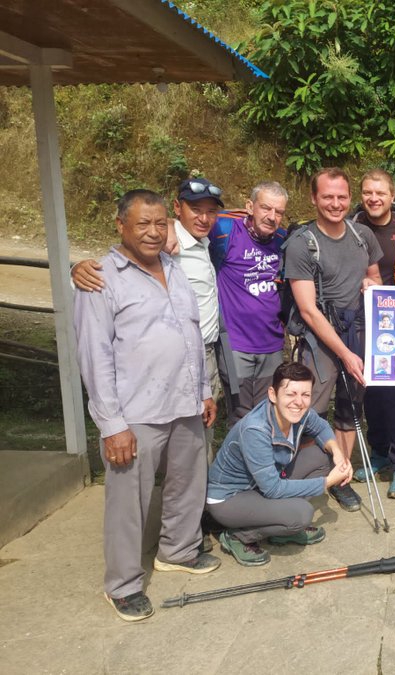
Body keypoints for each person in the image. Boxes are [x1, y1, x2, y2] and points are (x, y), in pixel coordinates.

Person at [73, 189, 220, 622]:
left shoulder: (173, 268)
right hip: (135, 412)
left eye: (160, 224)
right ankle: (122, 584)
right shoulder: (100, 278)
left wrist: (204, 391)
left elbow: (191, 333)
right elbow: (94, 355)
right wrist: (111, 423)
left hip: (185, 401)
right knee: (128, 501)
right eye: (143, 224)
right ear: (121, 226)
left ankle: (178, 550)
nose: (154, 232)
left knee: (187, 483)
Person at [71, 178, 225, 465]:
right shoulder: (158, 249)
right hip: (143, 393)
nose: (204, 218)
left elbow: (252, 216)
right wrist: (77, 268)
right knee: (139, 469)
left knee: (193, 460)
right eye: (195, 209)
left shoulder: (203, 244)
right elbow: (94, 351)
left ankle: (199, 505)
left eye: (211, 211)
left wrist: (203, 388)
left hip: (197, 367)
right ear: (177, 209)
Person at [283, 168, 382, 512]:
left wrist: (372, 284)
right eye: (327, 197)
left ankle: (341, 476)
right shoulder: (301, 244)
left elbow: (374, 275)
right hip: (320, 338)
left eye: (341, 197)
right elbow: (308, 310)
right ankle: (304, 477)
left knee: (350, 408)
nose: (335, 204)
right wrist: (343, 353)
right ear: (313, 198)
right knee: (309, 409)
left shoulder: (362, 236)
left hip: (358, 330)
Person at [206, 362, 353, 566]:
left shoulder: (301, 412)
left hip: (261, 484)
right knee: (302, 515)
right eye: (291, 394)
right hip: (229, 498)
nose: (298, 402)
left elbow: (321, 428)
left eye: (305, 395)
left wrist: (338, 453)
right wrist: (327, 482)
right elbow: (273, 489)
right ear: (273, 395)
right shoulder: (255, 429)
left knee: (323, 456)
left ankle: (280, 528)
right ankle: (240, 536)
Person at [348, 169, 395, 498]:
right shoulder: (351, 224)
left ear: (392, 195)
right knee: (368, 388)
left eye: (380, 193)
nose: (374, 198)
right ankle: (379, 452)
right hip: (360, 317)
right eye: (367, 192)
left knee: (392, 390)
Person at [211, 181, 290, 424]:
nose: (272, 216)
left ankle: (263, 461)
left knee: (269, 412)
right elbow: (185, 227)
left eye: (279, 212)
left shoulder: (282, 239)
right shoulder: (223, 231)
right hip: (235, 343)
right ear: (249, 206)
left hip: (272, 343)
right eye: (266, 208)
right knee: (241, 414)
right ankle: (238, 462)